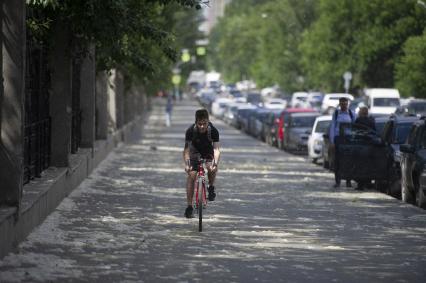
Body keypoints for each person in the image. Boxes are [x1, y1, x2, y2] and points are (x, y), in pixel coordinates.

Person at [183, 109, 221, 218]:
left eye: (205, 124)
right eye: (200, 124)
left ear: (208, 122)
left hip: (208, 151)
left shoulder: (213, 131)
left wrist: (215, 162)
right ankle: (189, 206)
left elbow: (217, 149)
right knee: (192, 175)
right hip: (194, 151)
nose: (202, 126)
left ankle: (211, 186)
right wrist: (187, 164)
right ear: (196, 122)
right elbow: (186, 150)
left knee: (211, 167)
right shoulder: (190, 131)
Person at [329, 97, 356, 188]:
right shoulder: (336, 114)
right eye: (342, 103)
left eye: (345, 103)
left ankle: (348, 181)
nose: (344, 105)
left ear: (347, 104)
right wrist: (332, 141)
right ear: (339, 104)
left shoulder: (352, 114)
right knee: (338, 161)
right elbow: (332, 127)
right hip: (338, 139)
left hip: (348, 139)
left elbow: (355, 127)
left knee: (349, 161)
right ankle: (337, 181)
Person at [354, 106, 375, 190]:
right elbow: (374, 133)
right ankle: (368, 182)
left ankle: (360, 185)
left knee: (359, 165)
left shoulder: (358, 120)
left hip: (360, 146)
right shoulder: (371, 121)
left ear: (361, 112)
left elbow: (354, 132)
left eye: (360, 111)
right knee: (368, 165)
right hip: (369, 146)